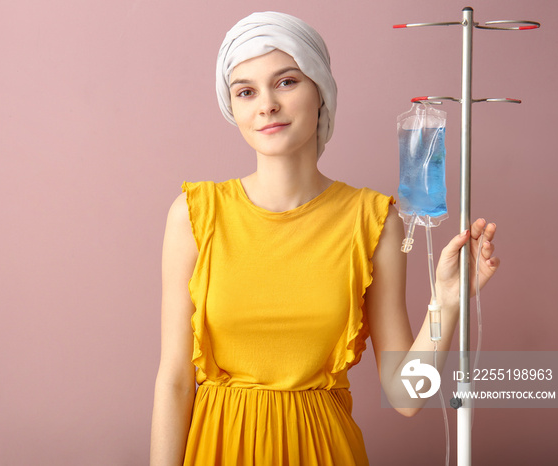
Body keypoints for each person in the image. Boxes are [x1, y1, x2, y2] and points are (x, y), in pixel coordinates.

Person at [150, 11, 499, 466]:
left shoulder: (373, 220)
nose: (266, 105)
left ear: (320, 91)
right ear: (232, 106)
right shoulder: (194, 215)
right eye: (246, 91)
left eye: (287, 82)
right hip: (216, 450)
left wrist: (448, 303)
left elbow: (407, 395)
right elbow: (175, 381)